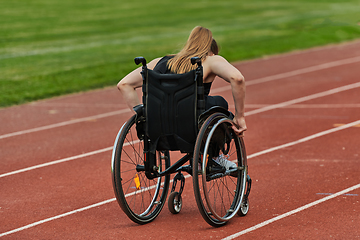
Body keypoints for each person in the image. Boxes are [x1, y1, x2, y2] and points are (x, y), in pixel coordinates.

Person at [117, 26, 247, 136]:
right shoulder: (210, 60)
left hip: (159, 120)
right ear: (211, 51)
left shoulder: (159, 62)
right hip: (192, 120)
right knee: (220, 102)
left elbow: (124, 84)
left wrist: (142, 116)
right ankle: (216, 157)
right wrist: (239, 116)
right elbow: (237, 78)